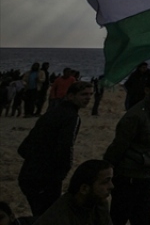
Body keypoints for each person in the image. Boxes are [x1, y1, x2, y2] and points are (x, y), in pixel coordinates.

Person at [103, 68, 150, 225]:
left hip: (144, 174)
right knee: (119, 218)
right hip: (128, 176)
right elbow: (119, 146)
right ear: (147, 90)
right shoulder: (136, 115)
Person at [18, 81, 93, 217]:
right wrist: (61, 172)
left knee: (41, 214)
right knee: (49, 216)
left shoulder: (52, 112)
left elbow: (24, 147)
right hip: (45, 177)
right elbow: (65, 147)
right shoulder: (71, 117)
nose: (88, 98)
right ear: (71, 96)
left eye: (90, 94)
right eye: (83, 94)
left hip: (28, 173)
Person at [32, 159, 113, 225]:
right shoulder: (59, 218)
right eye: (105, 182)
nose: (111, 186)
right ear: (84, 189)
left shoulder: (99, 204)